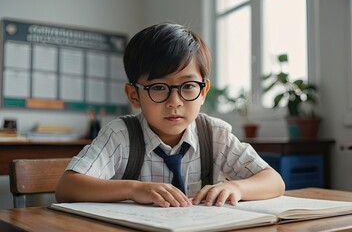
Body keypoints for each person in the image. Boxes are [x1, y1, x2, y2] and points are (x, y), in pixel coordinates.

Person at [55, 22, 285, 208]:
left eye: (188, 86)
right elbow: (67, 188)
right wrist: (134, 189)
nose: (175, 103)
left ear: (203, 91)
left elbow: (274, 181)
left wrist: (237, 188)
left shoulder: (215, 135)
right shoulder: (120, 135)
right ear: (134, 95)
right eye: (158, 88)